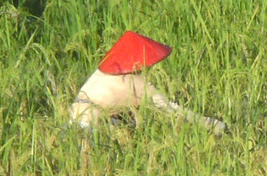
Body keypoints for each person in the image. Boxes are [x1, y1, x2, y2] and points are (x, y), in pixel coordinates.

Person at [69, 31, 225, 134]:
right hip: (93, 131)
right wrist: (214, 125)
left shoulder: (99, 75)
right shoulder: (133, 83)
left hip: (71, 124)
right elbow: (170, 109)